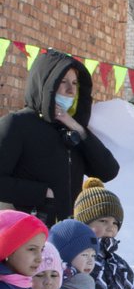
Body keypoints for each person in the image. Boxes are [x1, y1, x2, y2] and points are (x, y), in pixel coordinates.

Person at [0, 50, 119, 226]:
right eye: (62, 82)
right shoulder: (17, 124)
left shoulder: (71, 129)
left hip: (68, 234)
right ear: (45, 84)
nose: (70, 90)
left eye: (74, 83)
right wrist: (43, 193)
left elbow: (108, 171)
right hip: (29, 234)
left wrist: (79, 129)